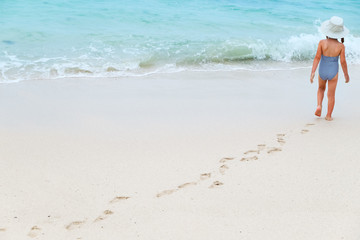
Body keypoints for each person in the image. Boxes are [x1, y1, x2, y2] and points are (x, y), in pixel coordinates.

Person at [310, 16, 350, 121]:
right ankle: (328, 115)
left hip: (322, 70)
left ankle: (319, 105)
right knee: (331, 95)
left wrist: (313, 72)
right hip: (333, 72)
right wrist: (346, 75)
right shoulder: (341, 46)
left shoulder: (322, 43)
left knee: (321, 89)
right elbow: (342, 62)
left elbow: (317, 58)